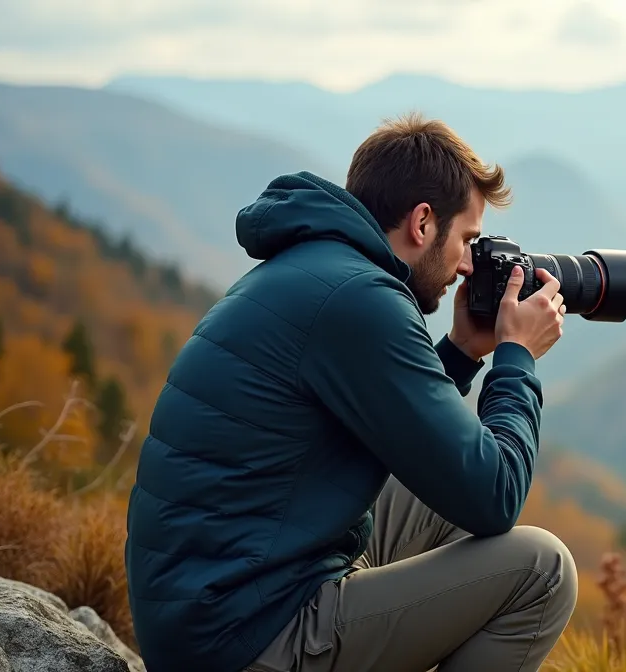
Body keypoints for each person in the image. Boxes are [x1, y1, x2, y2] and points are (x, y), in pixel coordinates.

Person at [123, 112, 578, 672]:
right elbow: (497, 493)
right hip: (246, 638)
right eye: (467, 240)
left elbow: (408, 436)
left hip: (216, 605)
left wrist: (461, 350)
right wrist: (517, 357)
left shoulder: (319, 268)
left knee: (451, 505)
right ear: (422, 223)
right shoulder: (363, 301)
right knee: (542, 570)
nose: (466, 266)